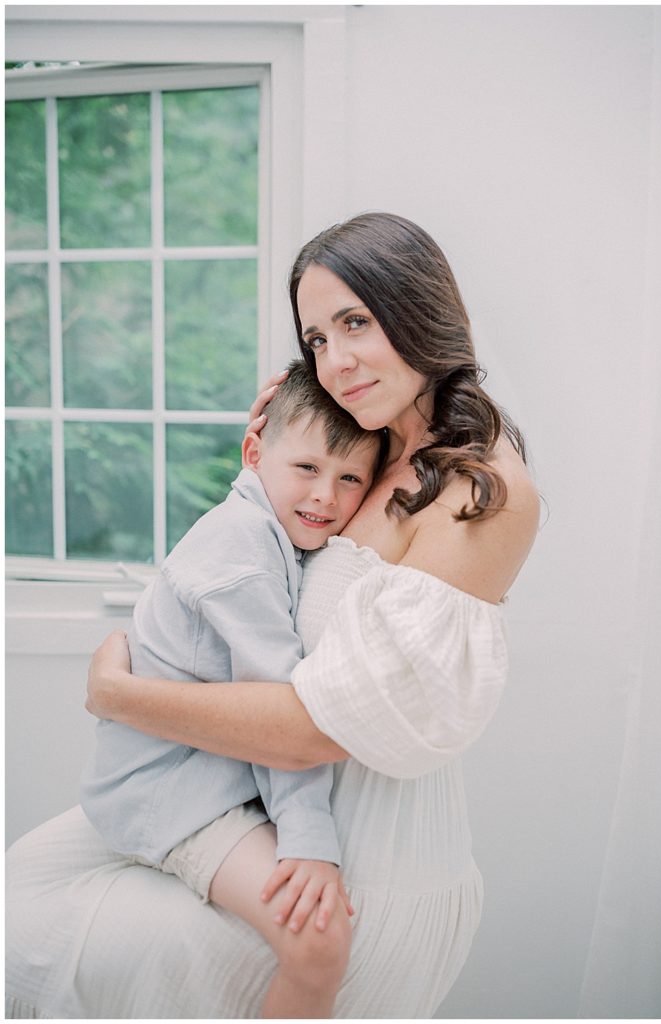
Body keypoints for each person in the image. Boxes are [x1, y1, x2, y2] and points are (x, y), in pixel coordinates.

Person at [5, 212, 540, 1020]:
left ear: (422, 309)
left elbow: (323, 727)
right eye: (317, 339)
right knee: (22, 888)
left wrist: (117, 696)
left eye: (356, 322)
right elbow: (252, 580)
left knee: (56, 941)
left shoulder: (480, 491)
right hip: (260, 798)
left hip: (360, 859)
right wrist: (269, 473)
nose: (336, 360)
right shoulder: (360, 446)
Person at [80, 360, 383, 1019]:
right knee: (320, 943)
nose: (326, 498)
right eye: (307, 468)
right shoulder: (240, 549)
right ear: (254, 453)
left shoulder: (264, 528)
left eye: (350, 478)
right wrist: (309, 844)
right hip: (170, 791)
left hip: (203, 773)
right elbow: (280, 714)